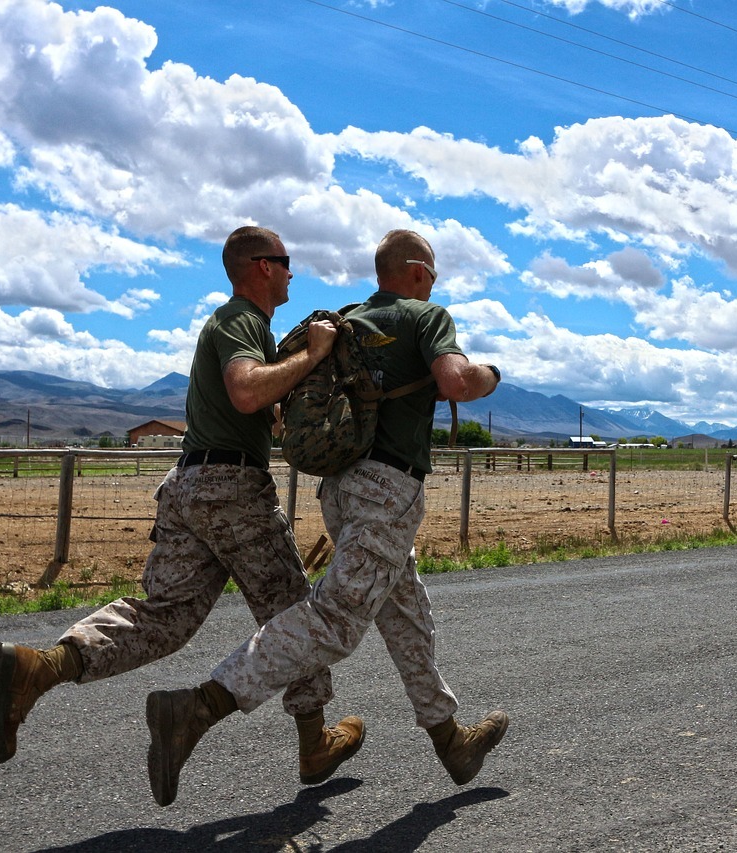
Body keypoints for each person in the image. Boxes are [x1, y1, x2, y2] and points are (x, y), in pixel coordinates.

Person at [0, 226, 364, 789]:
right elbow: (245, 390)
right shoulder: (241, 320)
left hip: (189, 485)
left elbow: (253, 407)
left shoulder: (242, 328)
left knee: (164, 617)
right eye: (285, 262)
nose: (290, 272)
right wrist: (313, 354)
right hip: (229, 488)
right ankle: (313, 743)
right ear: (260, 267)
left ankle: (41, 669)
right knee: (293, 613)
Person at [143, 229, 508, 807]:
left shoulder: (348, 321)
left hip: (341, 491)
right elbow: (456, 381)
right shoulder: (426, 316)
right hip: (386, 491)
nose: (435, 282)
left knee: (406, 608)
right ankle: (199, 705)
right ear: (415, 271)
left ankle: (450, 739)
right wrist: (490, 372)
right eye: (433, 272)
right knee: (335, 618)